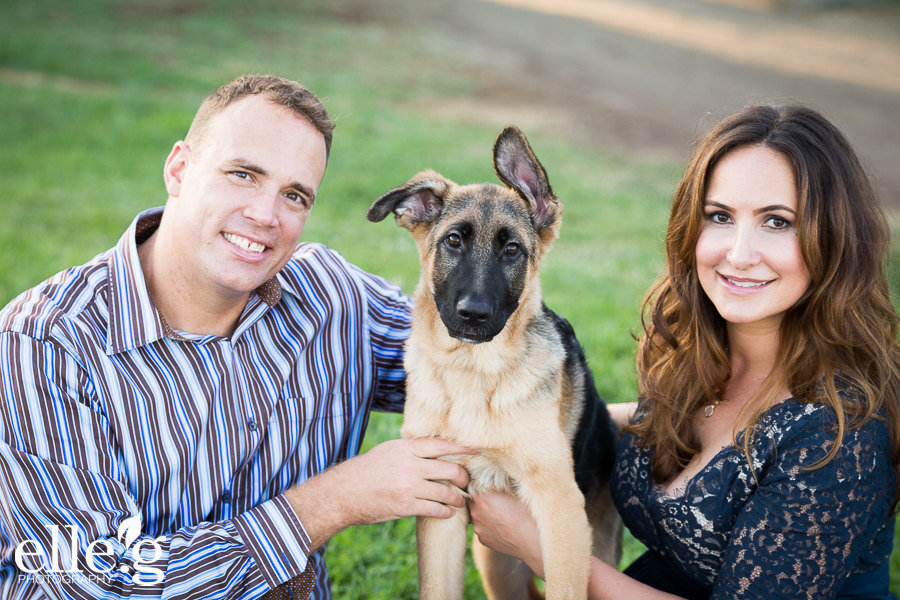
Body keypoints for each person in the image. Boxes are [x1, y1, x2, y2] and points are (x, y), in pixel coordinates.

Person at [0, 75, 470, 599]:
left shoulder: (336, 301)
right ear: (179, 169)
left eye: (294, 195)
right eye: (243, 174)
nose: (265, 215)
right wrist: (332, 502)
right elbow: (88, 583)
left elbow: (490, 371)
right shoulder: (43, 343)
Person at [469, 103, 900, 599]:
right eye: (719, 216)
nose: (738, 254)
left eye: (777, 222)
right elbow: (646, 427)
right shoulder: (705, 354)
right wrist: (521, 432)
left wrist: (542, 549)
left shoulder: (840, 438)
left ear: (835, 236)